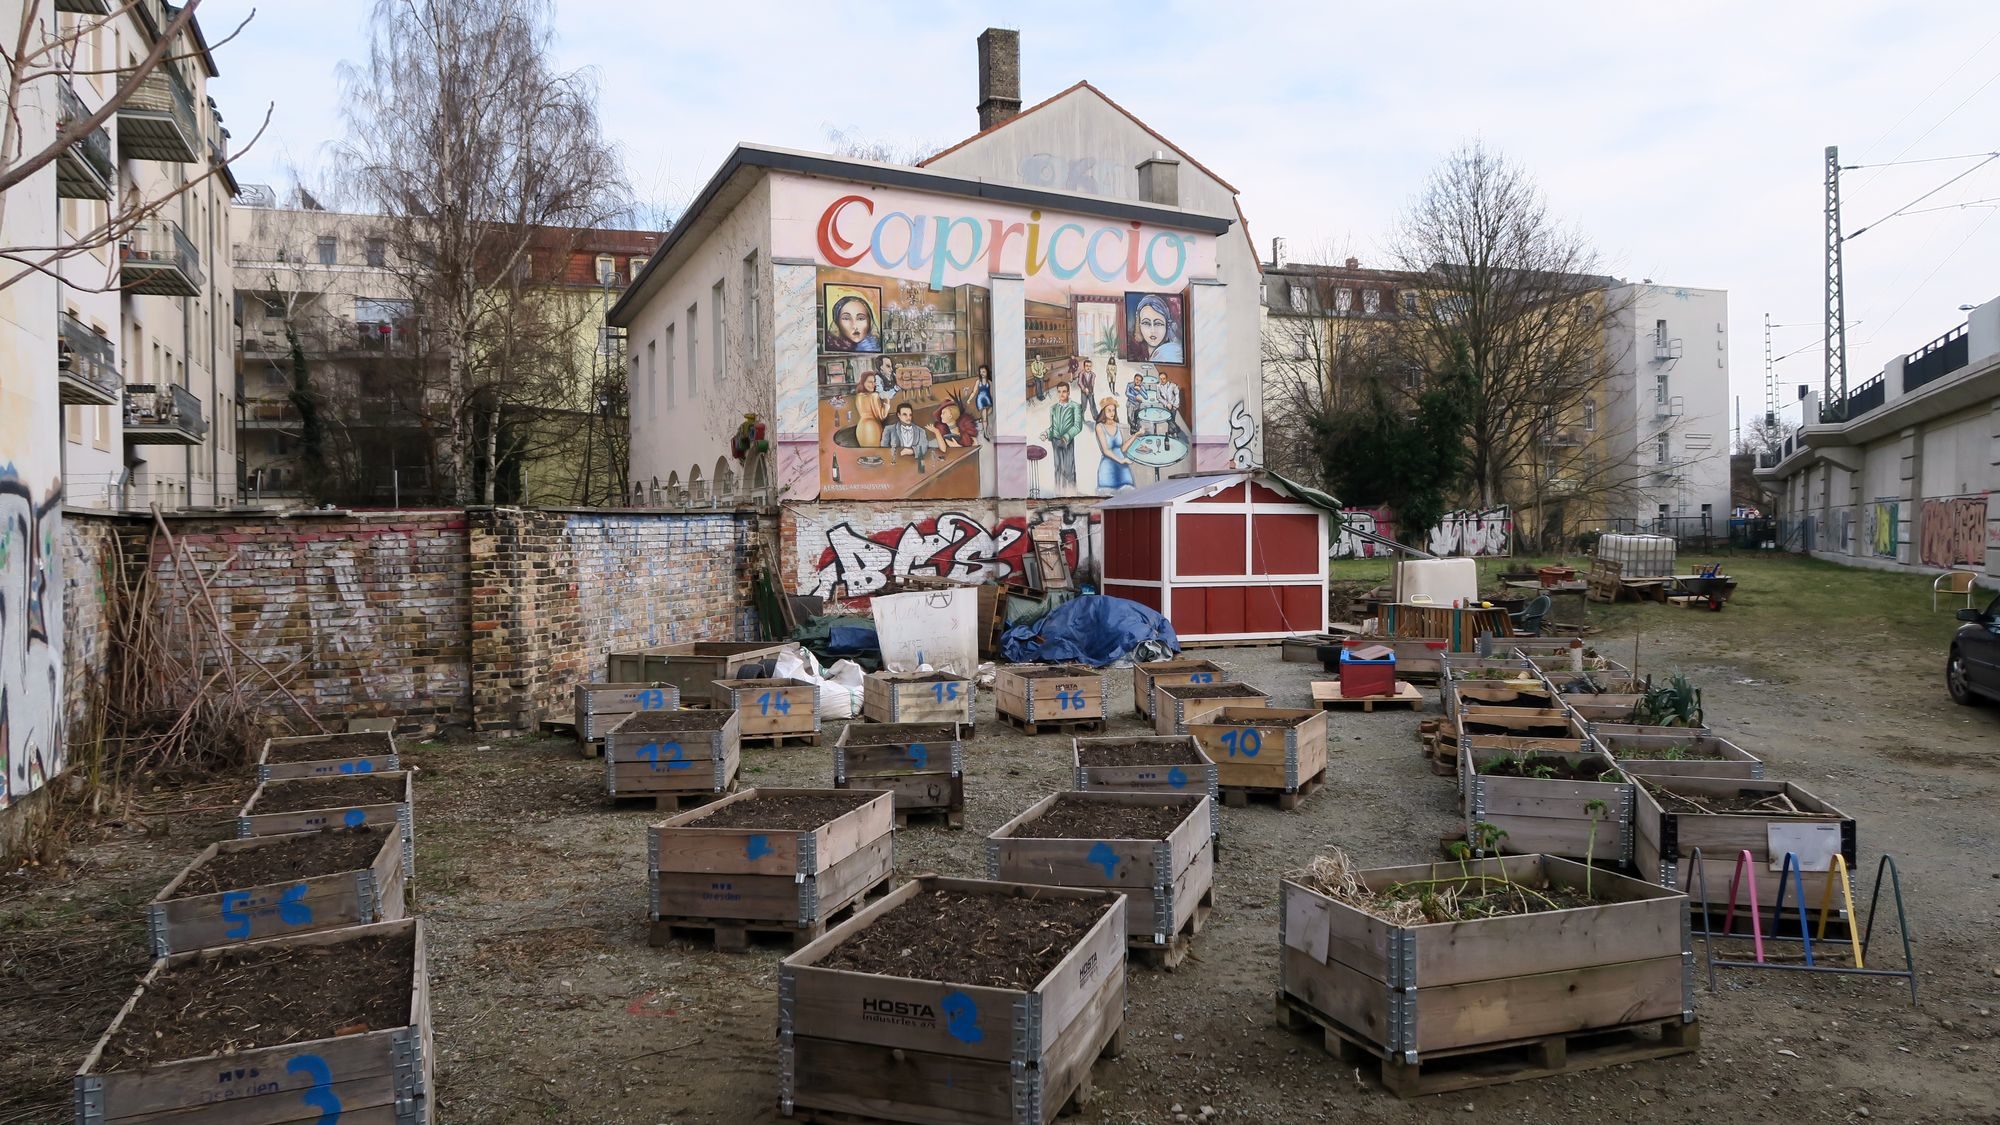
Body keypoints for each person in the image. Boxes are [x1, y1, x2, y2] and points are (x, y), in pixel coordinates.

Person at [1044, 381, 1085, 489]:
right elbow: (1053, 427)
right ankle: (1058, 492)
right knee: (1057, 468)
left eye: (1064, 391)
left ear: (1068, 392)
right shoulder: (1053, 408)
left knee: (1069, 468)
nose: (1061, 394)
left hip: (1068, 441)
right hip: (1055, 441)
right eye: (1059, 392)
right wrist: (1046, 433)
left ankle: (1071, 492)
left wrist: (1067, 436)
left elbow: (1077, 426)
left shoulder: (1075, 406)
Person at [1127, 294, 1184, 364]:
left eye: (1158, 323)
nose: (1153, 330)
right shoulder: (1134, 353)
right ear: (1139, 325)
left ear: (1167, 325)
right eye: (1146, 323)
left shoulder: (1171, 353)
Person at [1094, 398, 1135, 491]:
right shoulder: (1099, 427)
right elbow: (1106, 450)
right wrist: (1121, 460)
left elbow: (1122, 448)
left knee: (1128, 492)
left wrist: (1136, 435)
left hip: (1122, 468)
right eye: (1109, 410)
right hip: (1108, 468)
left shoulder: (1117, 425)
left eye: (1113, 410)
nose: (1112, 413)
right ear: (1103, 412)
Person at [881, 402, 931, 467]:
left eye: (910, 415)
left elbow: (924, 446)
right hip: (895, 464)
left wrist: (912, 451)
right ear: (898, 415)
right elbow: (883, 449)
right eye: (905, 414)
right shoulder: (889, 429)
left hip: (914, 464)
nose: (908, 417)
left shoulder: (920, 431)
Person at [852, 369, 890, 447]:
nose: (873, 384)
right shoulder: (874, 396)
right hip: (872, 427)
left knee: (866, 452)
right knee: (875, 452)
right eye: (870, 382)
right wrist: (887, 402)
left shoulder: (859, 396)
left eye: (874, 382)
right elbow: (881, 416)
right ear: (863, 382)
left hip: (861, 427)